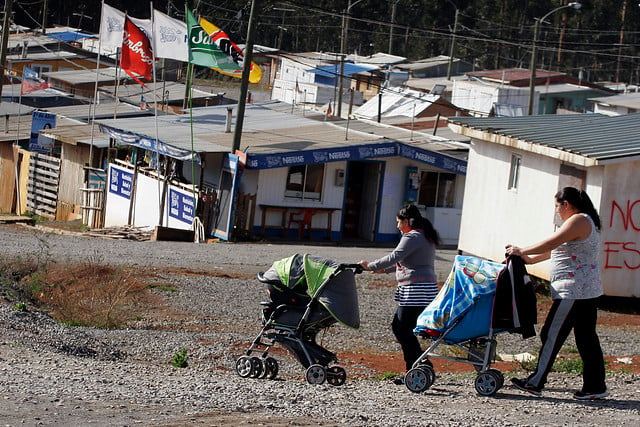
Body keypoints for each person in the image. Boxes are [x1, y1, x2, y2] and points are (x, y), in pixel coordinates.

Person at [505, 187, 607, 400]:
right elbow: (559, 248)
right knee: (586, 338)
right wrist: (531, 260)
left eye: (557, 207)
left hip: (573, 291)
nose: (557, 212)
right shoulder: (585, 220)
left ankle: (536, 382)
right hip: (586, 290)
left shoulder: (578, 220)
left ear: (566, 204)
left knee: (551, 334)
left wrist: (521, 251)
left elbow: (552, 242)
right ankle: (595, 386)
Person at [358, 204, 440, 384]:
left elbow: (395, 256)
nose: (397, 226)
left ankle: (416, 366)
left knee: (402, 328)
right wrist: (384, 271)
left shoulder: (412, 236)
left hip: (416, 290)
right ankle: (419, 364)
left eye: (398, 222)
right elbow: (408, 261)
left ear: (406, 221)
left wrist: (370, 265)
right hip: (422, 289)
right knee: (402, 327)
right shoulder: (424, 235)